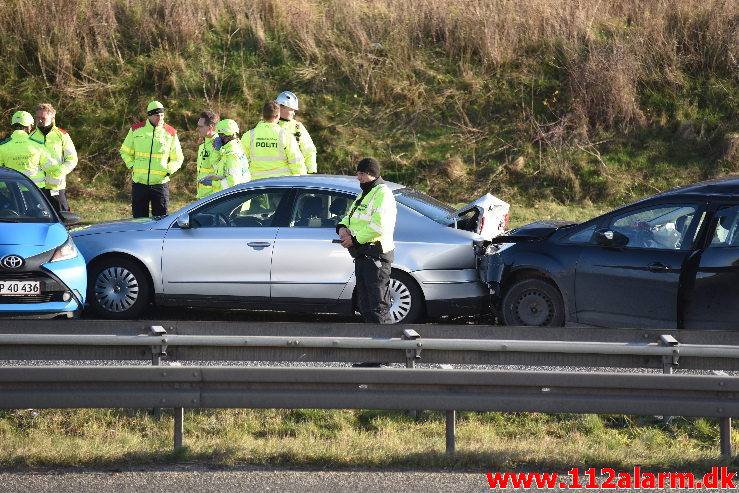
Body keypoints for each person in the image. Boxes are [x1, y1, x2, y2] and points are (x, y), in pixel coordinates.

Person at [336, 158, 397, 324]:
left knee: (378, 306)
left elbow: (379, 226)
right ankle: (370, 345)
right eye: (358, 173)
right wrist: (342, 227)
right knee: (365, 305)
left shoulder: (382, 193)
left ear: (372, 174)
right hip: (363, 255)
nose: (358, 177)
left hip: (375, 255)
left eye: (361, 174)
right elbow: (351, 216)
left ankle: (385, 346)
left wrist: (353, 240)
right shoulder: (366, 192)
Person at [119, 100, 184, 218]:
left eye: (162, 115)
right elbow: (125, 151)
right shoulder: (135, 130)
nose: (160, 118)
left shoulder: (170, 132)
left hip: (160, 184)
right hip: (139, 183)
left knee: (160, 220)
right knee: (139, 219)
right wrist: (132, 165)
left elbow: (178, 158)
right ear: (149, 115)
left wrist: (168, 170)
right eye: (156, 115)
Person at [29, 103, 78, 212]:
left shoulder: (62, 135)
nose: (39, 120)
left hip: (56, 186)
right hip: (35, 186)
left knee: (62, 216)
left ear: (52, 118)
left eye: (43, 118)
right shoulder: (30, 135)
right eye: (37, 117)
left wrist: (60, 171)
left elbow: (72, 158)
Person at [243, 101, 305, 180]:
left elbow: (241, 162)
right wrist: (301, 182)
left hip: (256, 184)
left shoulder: (249, 135)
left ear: (263, 115)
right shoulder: (286, 136)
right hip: (281, 184)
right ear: (277, 116)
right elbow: (297, 163)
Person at [0, 111, 55, 189]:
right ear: (29, 127)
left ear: (13, 126)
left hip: (13, 192)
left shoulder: (2, 147)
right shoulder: (38, 146)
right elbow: (52, 167)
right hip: (36, 191)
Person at [199, 119, 249, 194]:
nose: (217, 138)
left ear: (225, 136)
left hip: (233, 199)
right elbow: (215, 165)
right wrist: (216, 150)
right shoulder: (233, 148)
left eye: (219, 135)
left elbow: (232, 183)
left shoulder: (231, 154)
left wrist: (213, 183)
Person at [274, 91, 317, 173]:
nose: (294, 113)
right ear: (281, 107)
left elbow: (309, 151)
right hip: (271, 178)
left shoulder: (298, 127)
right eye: (291, 110)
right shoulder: (268, 125)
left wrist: (312, 172)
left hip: (293, 179)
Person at [195, 110, 220, 199]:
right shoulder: (203, 145)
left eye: (200, 126)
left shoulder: (219, 145)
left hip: (214, 197)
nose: (197, 129)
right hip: (202, 197)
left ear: (210, 127)